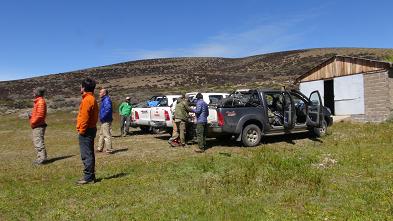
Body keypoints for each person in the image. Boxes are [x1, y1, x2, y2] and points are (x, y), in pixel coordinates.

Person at [76, 78, 99, 185]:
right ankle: (90, 175)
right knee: (89, 153)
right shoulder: (92, 98)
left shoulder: (87, 100)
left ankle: (88, 177)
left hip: (86, 130)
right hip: (91, 128)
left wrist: (81, 131)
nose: (80, 88)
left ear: (84, 88)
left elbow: (84, 118)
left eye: (81, 86)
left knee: (86, 154)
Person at [29, 87, 48, 165]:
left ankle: (42, 159)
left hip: (38, 125)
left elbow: (40, 115)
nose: (32, 93)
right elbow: (38, 114)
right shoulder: (38, 101)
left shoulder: (40, 102)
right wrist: (32, 115)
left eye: (34, 92)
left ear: (37, 93)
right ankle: (41, 158)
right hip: (38, 124)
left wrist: (33, 121)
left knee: (38, 141)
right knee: (37, 141)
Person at [97, 88, 114, 154]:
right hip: (104, 120)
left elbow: (108, 109)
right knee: (101, 134)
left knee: (106, 135)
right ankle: (100, 148)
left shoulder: (106, 100)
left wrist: (103, 117)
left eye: (100, 92)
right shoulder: (104, 100)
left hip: (106, 119)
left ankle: (109, 149)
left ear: (104, 93)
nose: (99, 93)